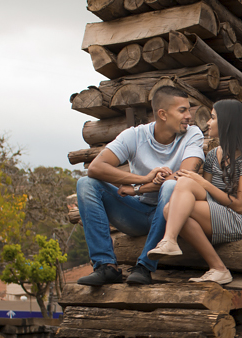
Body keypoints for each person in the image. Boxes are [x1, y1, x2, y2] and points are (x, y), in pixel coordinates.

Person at [75, 85, 205, 287]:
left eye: (188, 109)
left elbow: (184, 179)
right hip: (136, 213)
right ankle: (105, 266)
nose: (189, 116)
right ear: (162, 114)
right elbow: (95, 168)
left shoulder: (192, 134)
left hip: (171, 214)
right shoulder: (134, 136)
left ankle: (144, 267)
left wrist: (137, 189)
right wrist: (144, 179)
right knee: (86, 184)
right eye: (182, 110)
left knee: (173, 187)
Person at [147, 99, 242, 286]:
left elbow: (240, 205)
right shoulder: (213, 155)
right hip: (220, 210)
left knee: (175, 206)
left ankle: (170, 239)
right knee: (171, 208)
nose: (208, 123)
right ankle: (216, 267)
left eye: (212, 118)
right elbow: (204, 193)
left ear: (227, 122)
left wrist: (202, 181)